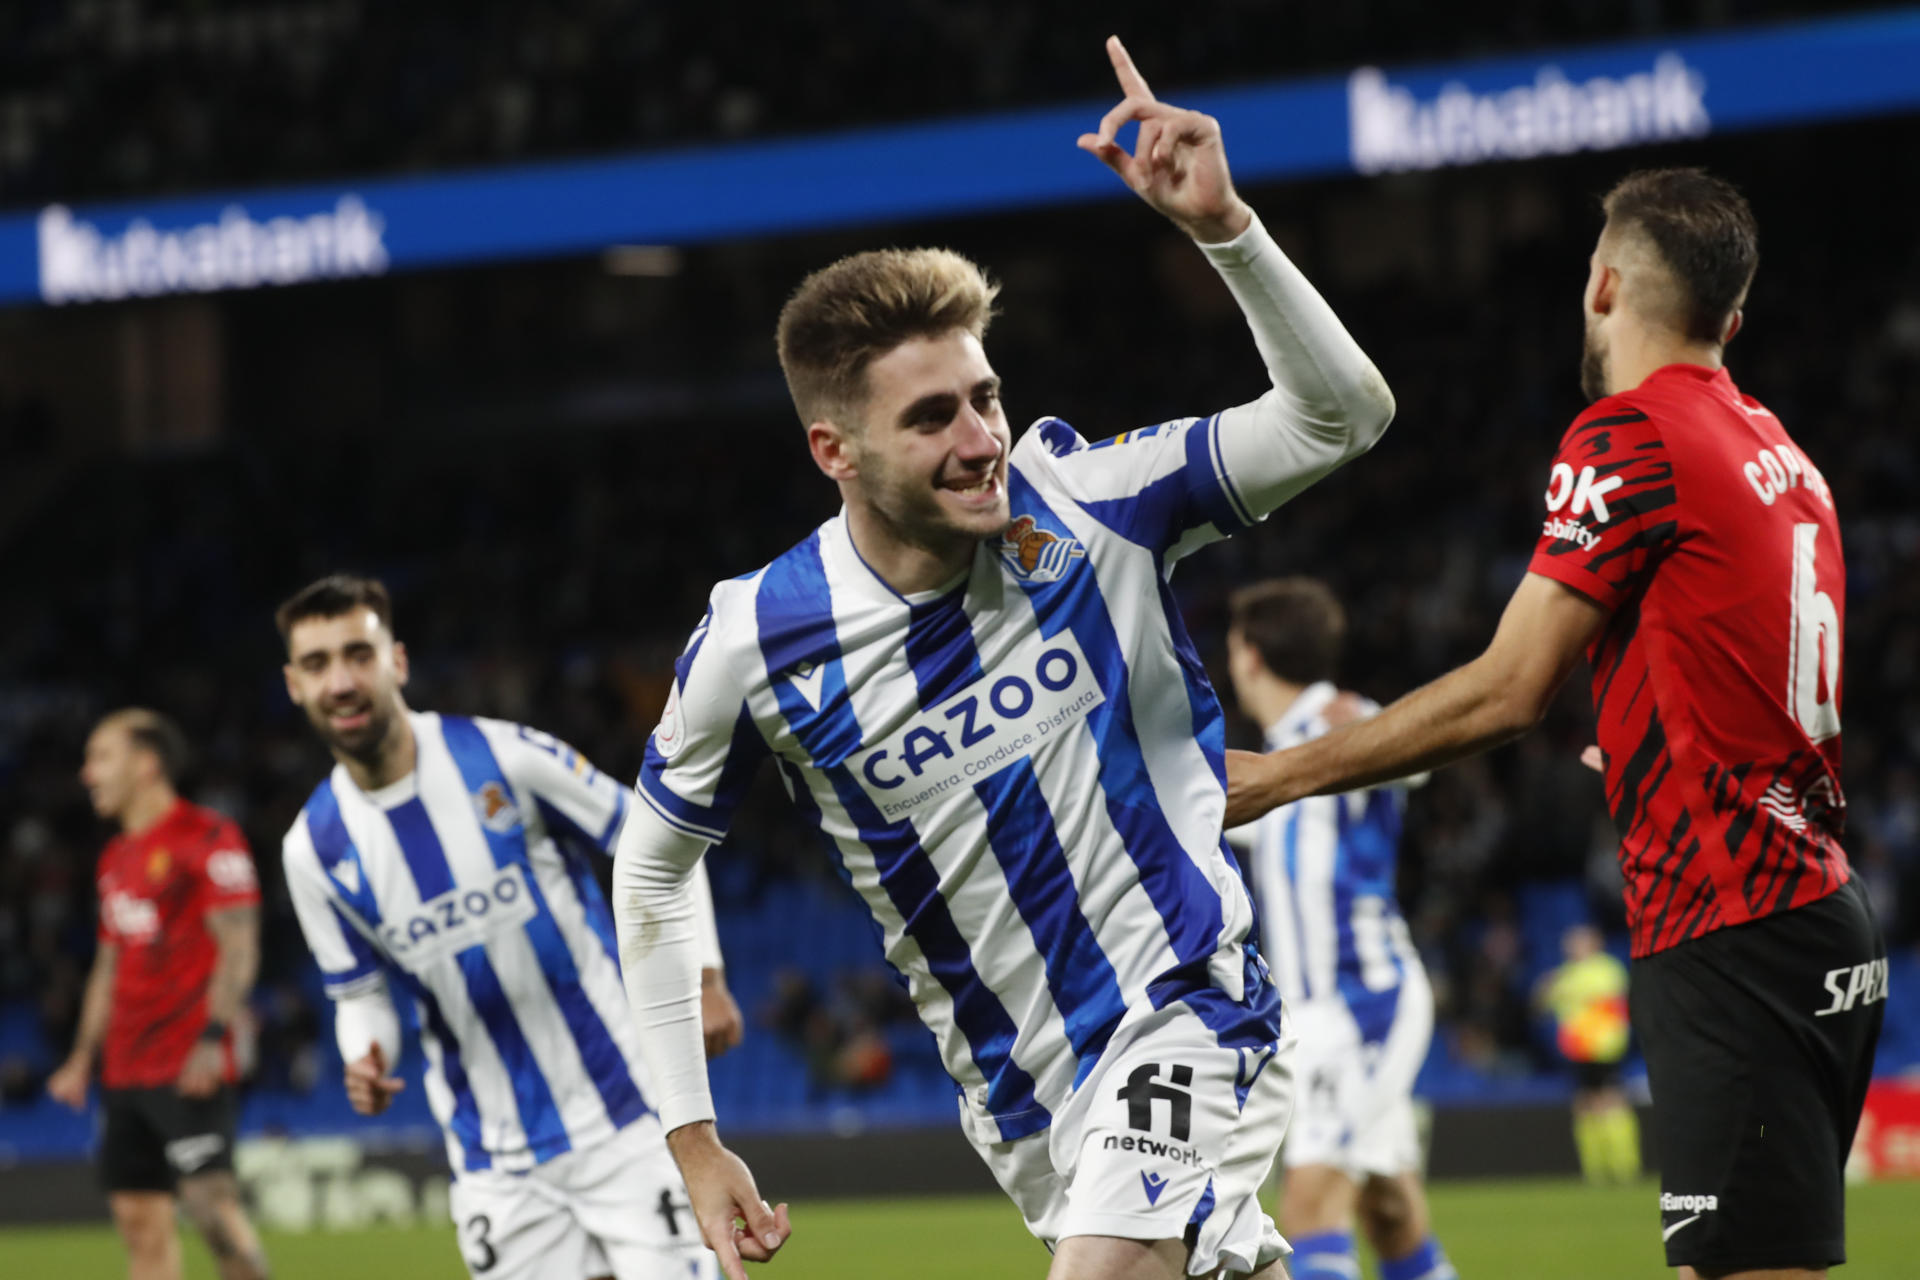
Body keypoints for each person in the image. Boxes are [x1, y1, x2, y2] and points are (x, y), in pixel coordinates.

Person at [613, 36, 1396, 1280]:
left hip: (1189, 1002)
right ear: (834, 450)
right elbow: (652, 875)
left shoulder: (1092, 502)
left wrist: (1227, 230)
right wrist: (694, 1137)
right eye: (933, 416)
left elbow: (1340, 415)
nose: (983, 438)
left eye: (985, 394)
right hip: (1030, 1106)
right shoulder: (760, 633)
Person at [1225, 169, 1886, 1280]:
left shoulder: (1626, 434)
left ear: (1605, 285)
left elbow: (1505, 689)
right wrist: (1644, 734)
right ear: (1733, 316)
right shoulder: (1779, 447)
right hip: (1813, 908)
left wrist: (1285, 771)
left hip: (1733, 925)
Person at [273, 573, 741, 1280]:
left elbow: (658, 841)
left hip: (627, 1117)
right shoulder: (312, 849)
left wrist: (703, 972)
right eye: (317, 664)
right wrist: (365, 1052)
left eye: (357, 655)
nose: (340, 680)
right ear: (293, 685)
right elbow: (358, 993)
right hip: (495, 1165)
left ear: (396, 661)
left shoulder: (502, 757)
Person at [1222, 579, 1457, 1280]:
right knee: (1389, 1211)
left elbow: (1413, 754)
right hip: (1321, 1011)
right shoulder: (1272, 762)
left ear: (1251, 656)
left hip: (1361, 1000)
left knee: (1309, 1206)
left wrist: (1358, 714)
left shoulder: (1335, 723)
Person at [48, 708, 270, 1280]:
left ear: (146, 764)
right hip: (124, 1070)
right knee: (140, 1226)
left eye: (101, 757)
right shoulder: (115, 858)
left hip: (188, 1061)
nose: (87, 774)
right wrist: (80, 1057)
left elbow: (239, 947)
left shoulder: (209, 838)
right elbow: (108, 965)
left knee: (212, 1212)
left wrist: (212, 1037)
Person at [1535, 924, 1640, 1186]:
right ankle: (1595, 1171)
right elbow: (1541, 1005)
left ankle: (1625, 1167)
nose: (1570, 947)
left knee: (1610, 1102)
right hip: (1577, 1048)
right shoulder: (1565, 974)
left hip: (1604, 1047)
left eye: (1577, 942)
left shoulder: (1606, 969)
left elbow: (1605, 1002)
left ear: (1593, 943)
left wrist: (1558, 989)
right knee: (1584, 1105)